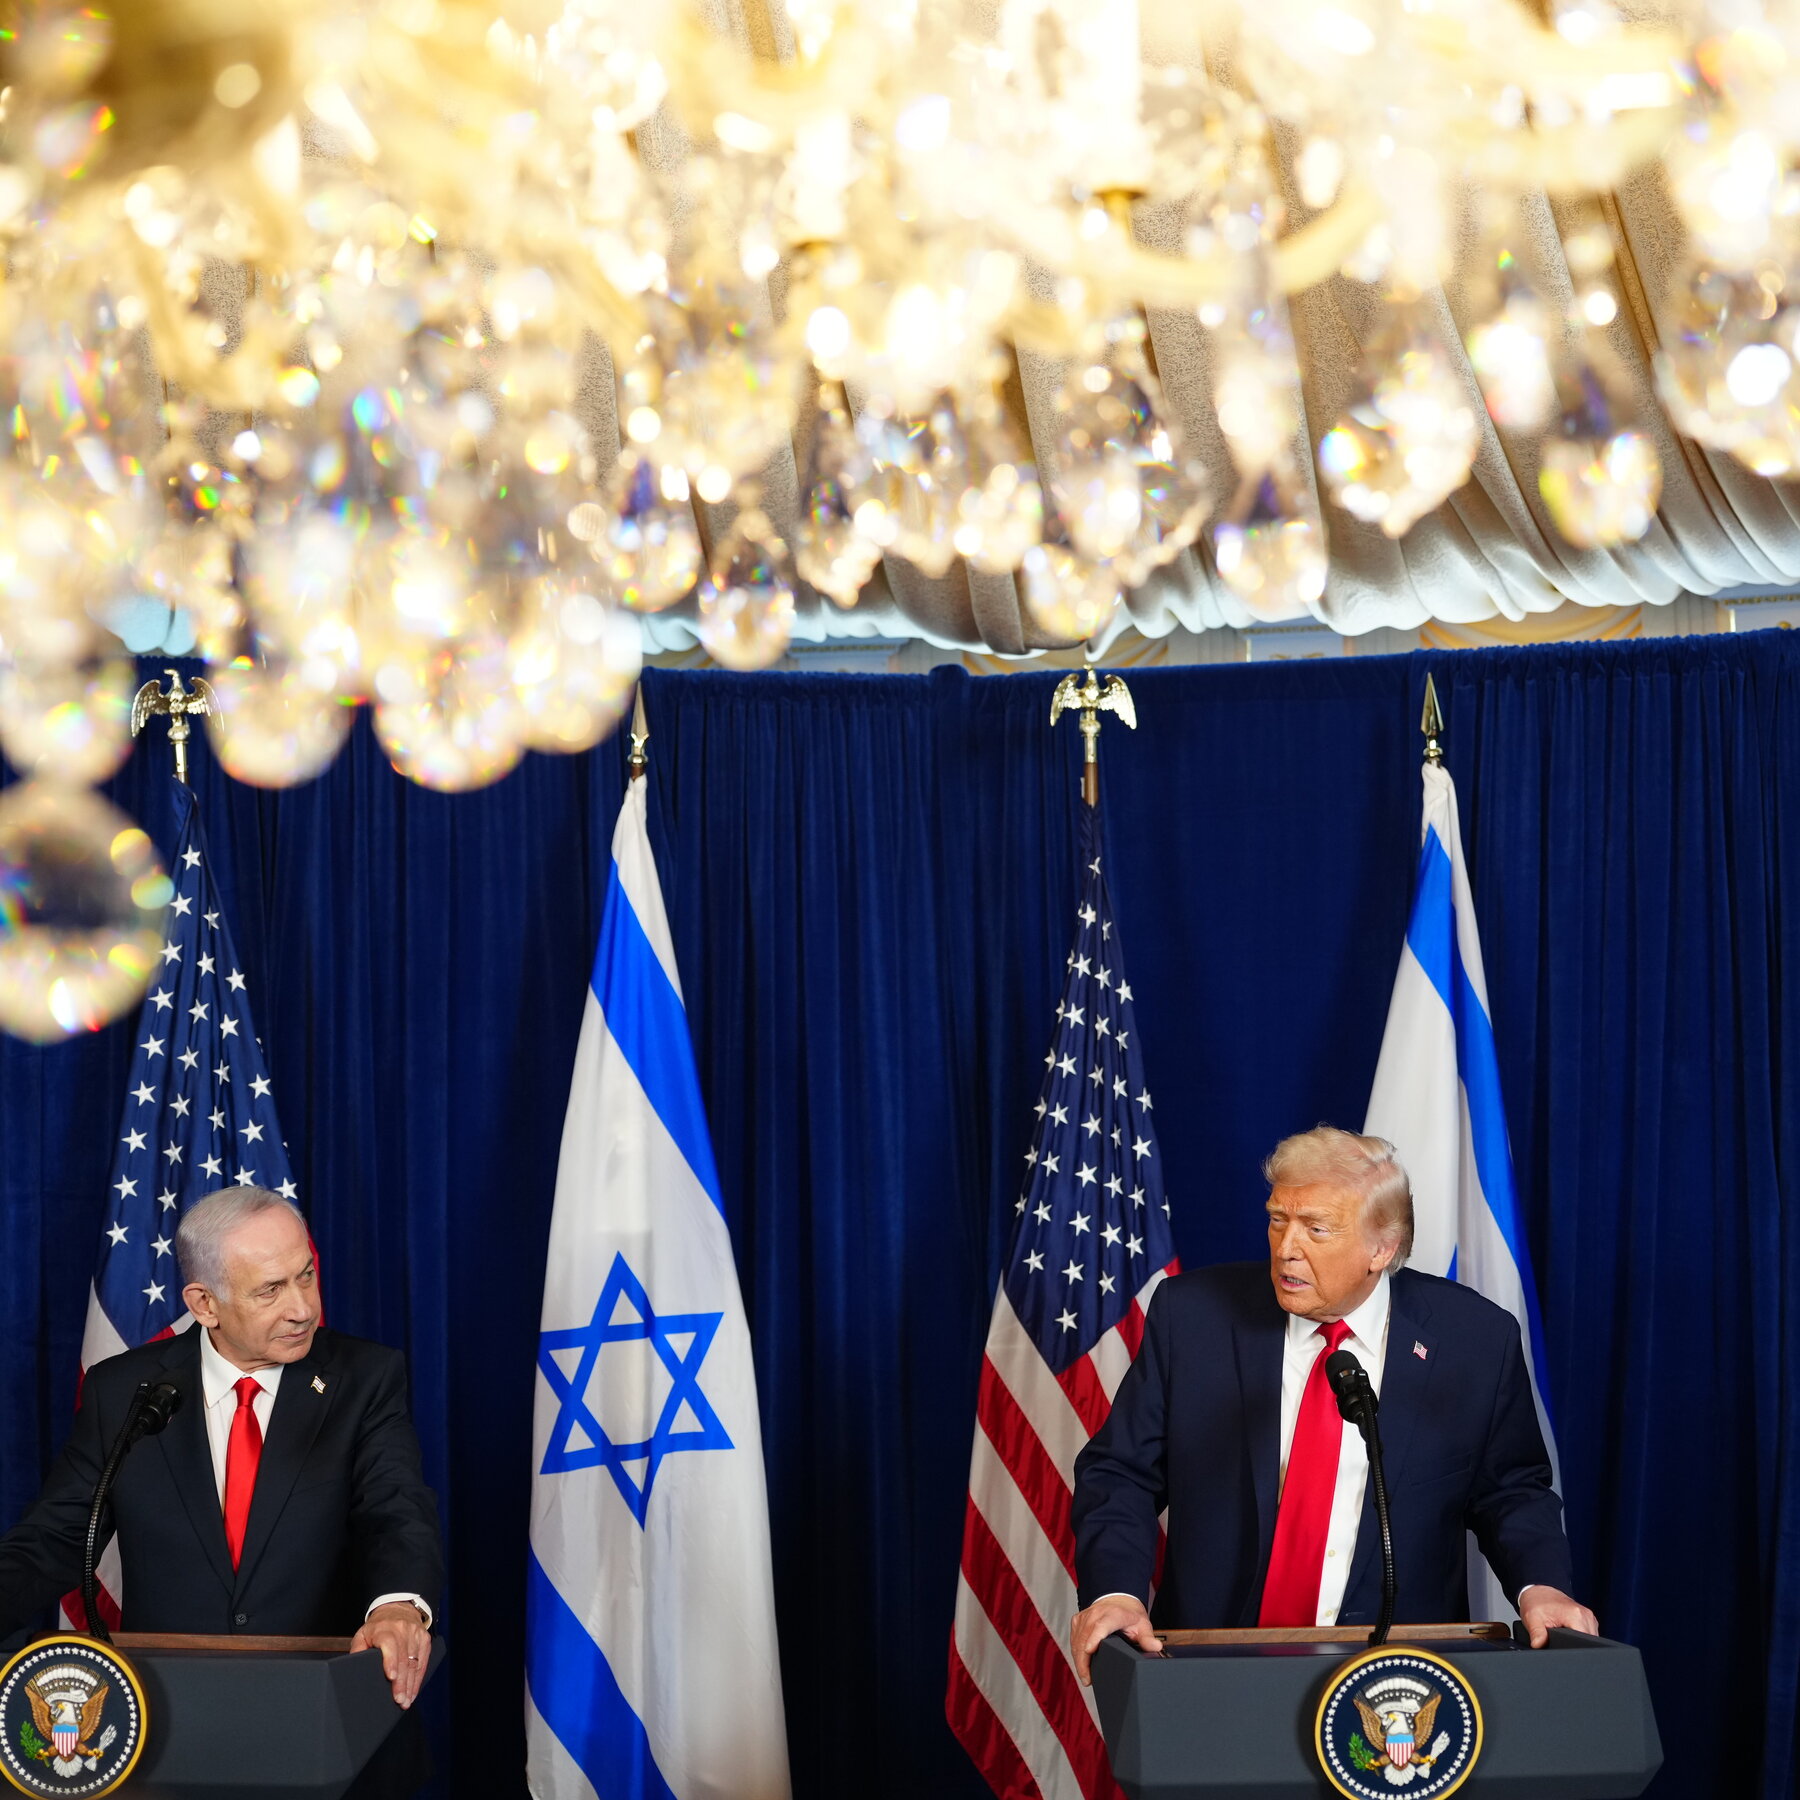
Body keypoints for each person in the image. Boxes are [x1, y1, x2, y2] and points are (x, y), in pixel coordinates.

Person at [1069, 1126, 1597, 1684]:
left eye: (1316, 1228)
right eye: (1278, 1219)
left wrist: (1541, 1587)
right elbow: (1120, 1471)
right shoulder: (1193, 1318)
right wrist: (1116, 1592)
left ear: (1381, 1248)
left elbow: (1511, 1490)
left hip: (1395, 1681)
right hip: (1209, 1667)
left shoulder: (1475, 1339)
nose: (1286, 1248)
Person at [0, 1187, 442, 1708]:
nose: (303, 1308)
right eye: (270, 1290)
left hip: (323, 1703)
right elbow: (54, 1538)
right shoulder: (121, 1391)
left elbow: (395, 1511)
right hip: (166, 1707)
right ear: (204, 1304)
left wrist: (397, 1607)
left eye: (305, 1275)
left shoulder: (365, 1378)